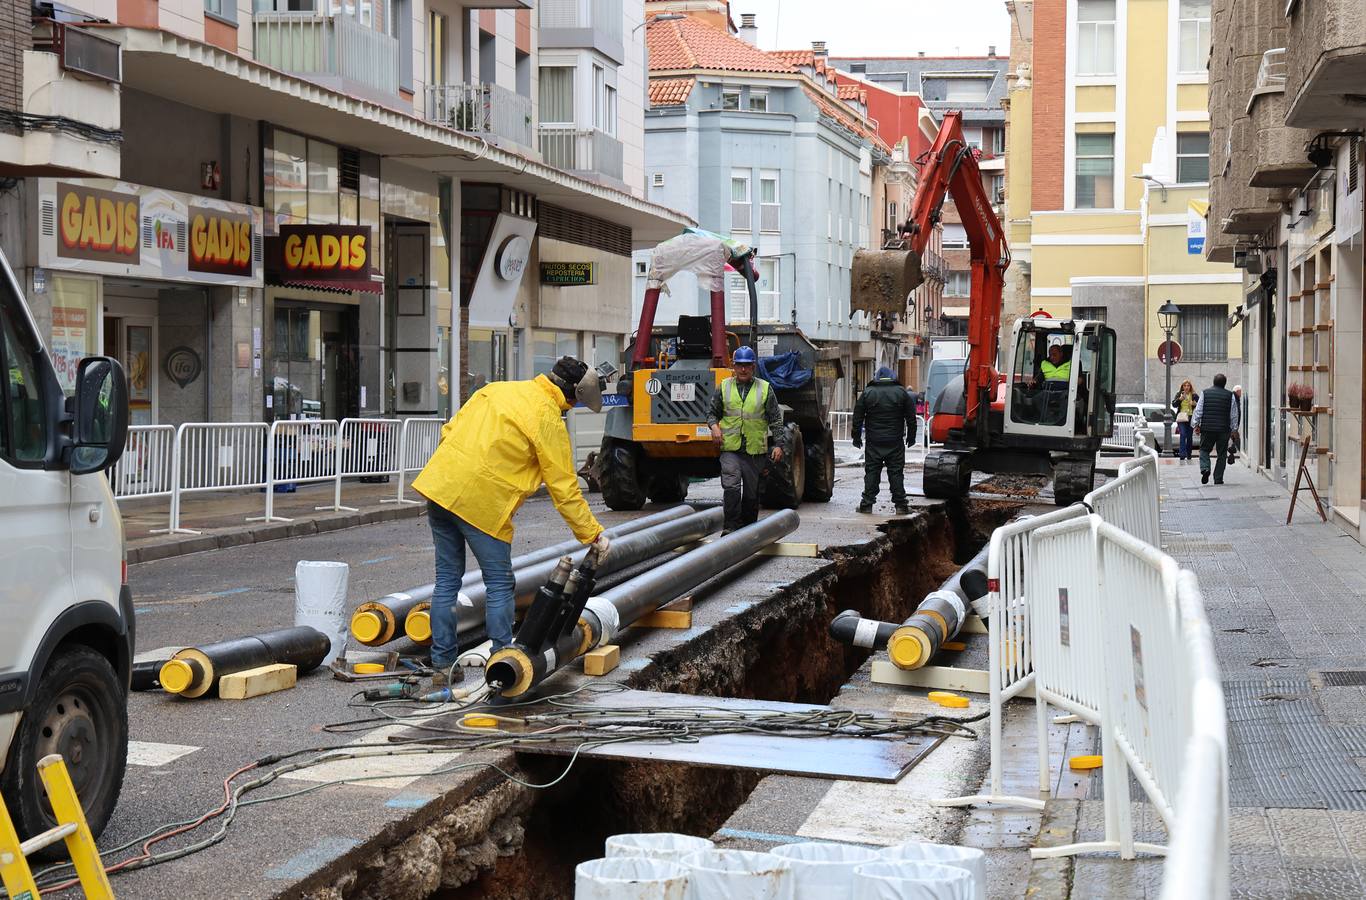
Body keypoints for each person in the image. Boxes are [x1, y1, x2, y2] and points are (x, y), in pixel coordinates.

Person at [412, 357, 610, 686]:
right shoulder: (547, 418)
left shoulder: (495, 390)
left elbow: (450, 430)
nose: (572, 408)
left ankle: (443, 664)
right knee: (499, 585)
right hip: (482, 503)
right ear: (572, 394)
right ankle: (503, 658)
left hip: (440, 486)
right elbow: (564, 489)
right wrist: (593, 535)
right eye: (575, 403)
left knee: (447, 581)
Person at [708, 345, 783, 535]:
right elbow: (711, 413)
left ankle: (748, 530)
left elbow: (775, 419)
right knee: (731, 486)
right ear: (733, 366)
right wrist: (714, 427)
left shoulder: (765, 389)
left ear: (753, 367)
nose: (743, 369)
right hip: (730, 448)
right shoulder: (724, 387)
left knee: (751, 493)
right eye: (739, 365)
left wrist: (779, 445)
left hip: (754, 450)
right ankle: (730, 526)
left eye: (747, 365)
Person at [853, 367, 919, 515]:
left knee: (871, 472)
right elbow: (911, 417)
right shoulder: (901, 392)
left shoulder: (868, 393)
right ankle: (901, 506)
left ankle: (867, 504)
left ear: (877, 378)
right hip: (895, 441)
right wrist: (911, 437)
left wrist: (856, 437)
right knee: (896, 473)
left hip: (873, 442)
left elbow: (857, 417)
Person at [1193, 372, 1240, 485]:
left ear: (1213, 382)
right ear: (1225, 383)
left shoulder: (1205, 393)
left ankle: (1205, 469)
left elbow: (1198, 410)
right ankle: (1218, 478)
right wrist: (1234, 429)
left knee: (1204, 449)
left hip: (1207, 428)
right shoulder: (1230, 395)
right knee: (1222, 453)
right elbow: (1234, 414)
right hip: (1224, 429)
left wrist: (1196, 424)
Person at [1172, 379, 1199, 463]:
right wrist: (1180, 399)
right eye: (1185, 385)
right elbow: (1173, 404)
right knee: (1183, 434)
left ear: (1190, 387)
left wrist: (1195, 404)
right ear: (1182, 387)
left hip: (1191, 417)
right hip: (1181, 417)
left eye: (1188, 386)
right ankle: (1182, 455)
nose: (1186, 387)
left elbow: (1201, 405)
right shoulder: (1179, 394)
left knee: (1189, 436)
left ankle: (1189, 454)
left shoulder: (1194, 395)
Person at [1229, 385, 1244, 462]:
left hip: (1233, 424)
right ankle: (1240, 450)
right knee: (1235, 437)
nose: (1241, 394)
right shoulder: (1234, 398)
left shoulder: (1235, 398)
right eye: (1241, 392)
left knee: (1235, 438)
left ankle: (1238, 450)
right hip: (1232, 425)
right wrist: (1234, 427)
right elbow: (1234, 413)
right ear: (1238, 391)